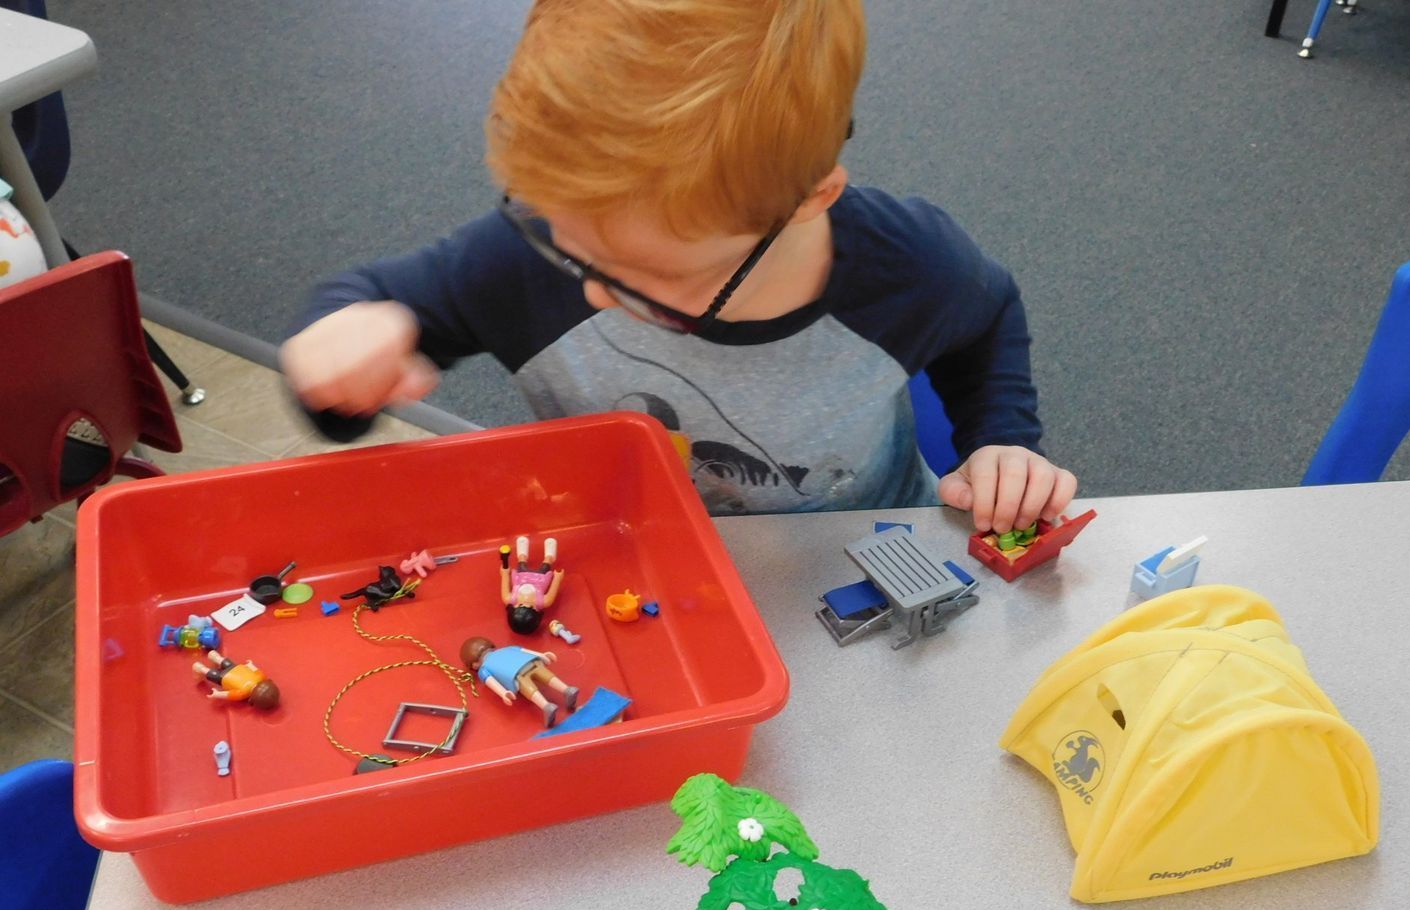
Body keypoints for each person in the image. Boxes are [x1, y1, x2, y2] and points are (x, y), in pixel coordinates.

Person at [280, 0, 1076, 530]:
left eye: (638, 276)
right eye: (558, 237)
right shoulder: (539, 259)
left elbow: (990, 315)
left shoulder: (910, 266)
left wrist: (1000, 437)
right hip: (631, 547)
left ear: (807, 199)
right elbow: (373, 307)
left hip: (851, 544)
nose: (587, 288)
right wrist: (341, 353)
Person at [460, 636, 578, 729]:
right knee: (546, 675)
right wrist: (542, 655)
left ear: (474, 664)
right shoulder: (508, 648)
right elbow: (525, 651)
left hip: (517, 676)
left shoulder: (483, 669)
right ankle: (567, 689)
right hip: (531, 663)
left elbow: (492, 682)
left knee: (528, 688)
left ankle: (546, 706)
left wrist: (503, 693)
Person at [500, 535, 564, 634]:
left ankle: (522, 549)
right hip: (541, 577)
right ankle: (550, 555)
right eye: (530, 607)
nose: (526, 602)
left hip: (521, 575)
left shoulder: (509, 598)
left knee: (521, 561)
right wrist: (557, 578)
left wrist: (505, 572)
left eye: (521, 605)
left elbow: (504, 579)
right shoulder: (544, 602)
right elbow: (553, 590)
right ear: (537, 613)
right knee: (546, 563)